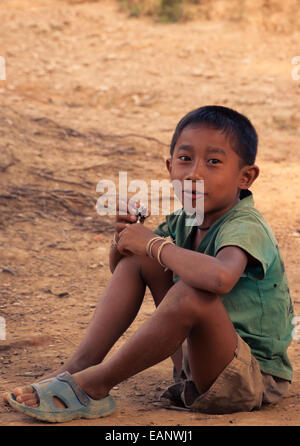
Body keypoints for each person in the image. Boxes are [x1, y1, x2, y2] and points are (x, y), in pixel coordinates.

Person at [3, 105, 294, 423]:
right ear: (170, 167)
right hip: (195, 365)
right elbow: (125, 267)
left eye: (213, 162)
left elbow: (221, 278)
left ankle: (94, 384)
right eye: (185, 159)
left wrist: (153, 243)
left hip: (250, 379)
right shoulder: (186, 220)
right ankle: (79, 366)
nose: (194, 173)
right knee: (142, 260)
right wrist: (125, 237)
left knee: (192, 292)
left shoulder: (245, 223)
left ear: (245, 177)